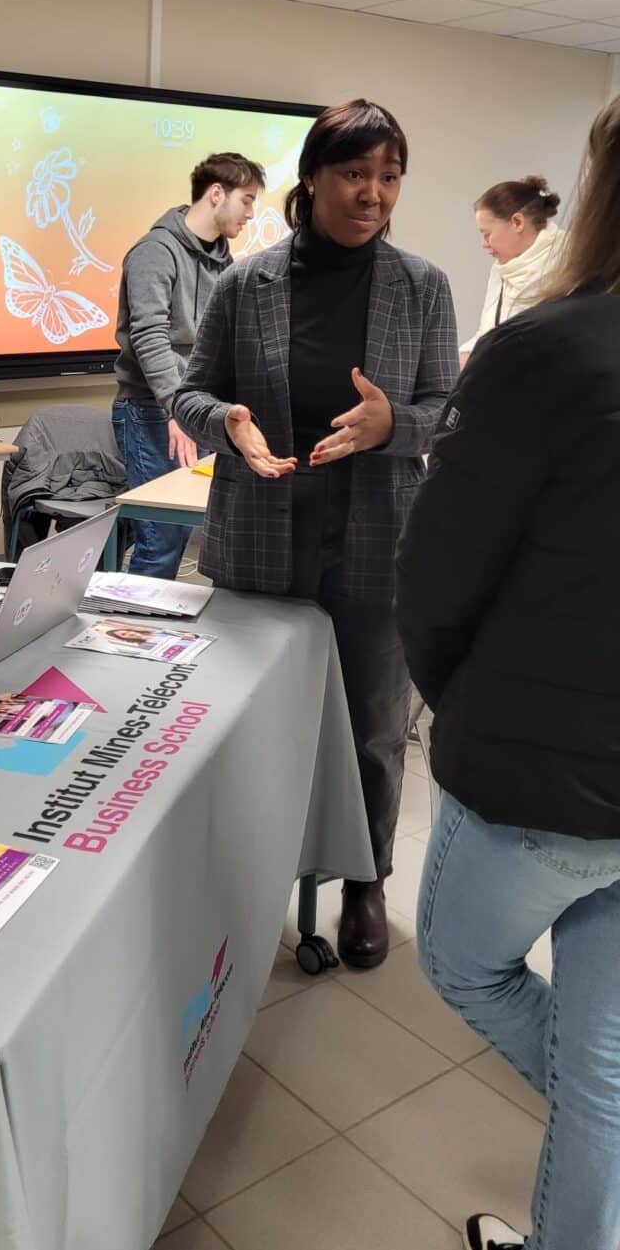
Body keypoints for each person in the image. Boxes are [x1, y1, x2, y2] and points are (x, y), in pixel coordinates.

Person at [396, 97, 620, 1250]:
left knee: (463, 964)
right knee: (601, 1052)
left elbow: (434, 579)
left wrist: (455, 700)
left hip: (538, 780)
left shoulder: (552, 350)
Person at [175, 100, 457, 968]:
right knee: (254, 721)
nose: (373, 194)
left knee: (372, 723)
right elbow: (188, 393)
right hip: (263, 542)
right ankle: (249, 876)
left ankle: (365, 881)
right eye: (354, 174)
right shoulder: (244, 284)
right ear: (313, 178)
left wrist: (393, 428)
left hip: (375, 543)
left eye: (389, 177)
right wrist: (231, 422)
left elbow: (449, 411)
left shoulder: (422, 286)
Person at [113, 152, 265, 579]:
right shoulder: (154, 252)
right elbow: (149, 337)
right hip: (149, 410)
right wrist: (178, 409)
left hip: (198, 409)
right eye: (248, 200)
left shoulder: (224, 262)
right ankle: (132, 636)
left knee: (196, 533)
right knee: (162, 539)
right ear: (216, 194)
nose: (252, 214)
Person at [459, 176, 565, 365]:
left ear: (517, 222)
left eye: (487, 234)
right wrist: (464, 355)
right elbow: (490, 330)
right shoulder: (502, 269)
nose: (484, 244)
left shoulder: (569, 264)